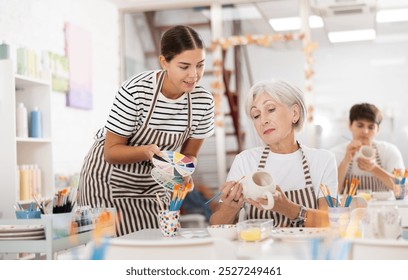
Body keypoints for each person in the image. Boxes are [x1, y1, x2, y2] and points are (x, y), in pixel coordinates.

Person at [77, 25, 215, 236]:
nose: (194, 75)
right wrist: (146, 151)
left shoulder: (203, 102)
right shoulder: (136, 90)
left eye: (200, 65)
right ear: (164, 62)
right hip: (107, 183)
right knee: (116, 254)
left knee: (158, 247)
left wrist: (184, 171)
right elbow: (111, 151)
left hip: (154, 184)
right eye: (184, 66)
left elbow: (190, 155)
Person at [209, 80, 338, 227]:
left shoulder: (322, 160)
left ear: (294, 113)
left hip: (307, 249)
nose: (263, 120)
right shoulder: (245, 161)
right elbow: (216, 225)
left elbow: (331, 222)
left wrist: (288, 208)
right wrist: (231, 207)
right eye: (256, 115)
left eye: (270, 109)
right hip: (258, 249)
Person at [330, 103, 404, 193]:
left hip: (382, 207)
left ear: (378, 129)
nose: (365, 131)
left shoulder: (389, 151)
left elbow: (403, 188)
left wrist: (374, 169)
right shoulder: (335, 153)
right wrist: (346, 160)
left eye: (371, 127)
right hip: (350, 207)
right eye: (360, 125)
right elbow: (330, 192)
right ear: (350, 125)